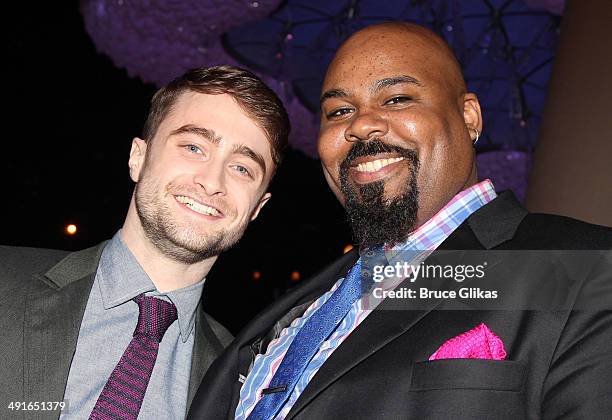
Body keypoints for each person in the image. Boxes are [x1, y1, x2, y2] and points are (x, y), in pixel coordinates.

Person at [188, 23, 612, 419]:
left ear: (469, 117)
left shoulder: (587, 268)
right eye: (338, 111)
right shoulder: (299, 308)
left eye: (397, 99)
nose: (362, 124)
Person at [0, 65, 289, 419]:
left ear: (258, 207)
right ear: (138, 157)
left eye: (242, 168)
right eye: (194, 147)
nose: (212, 181)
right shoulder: (5, 282)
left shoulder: (242, 388)